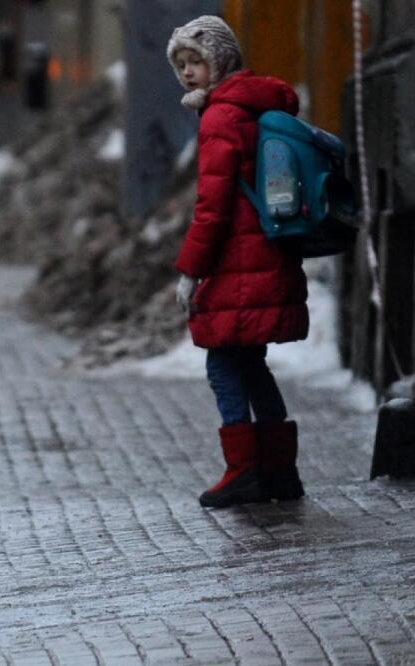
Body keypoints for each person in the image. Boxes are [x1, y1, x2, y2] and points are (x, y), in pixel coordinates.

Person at [167, 16, 309, 509]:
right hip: (265, 254)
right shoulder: (254, 104)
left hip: (237, 259)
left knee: (224, 363)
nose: (187, 72)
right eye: (181, 64)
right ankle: (278, 470)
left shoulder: (221, 117)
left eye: (196, 61)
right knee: (250, 362)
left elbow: (214, 204)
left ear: (220, 60)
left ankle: (243, 470)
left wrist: (191, 268)